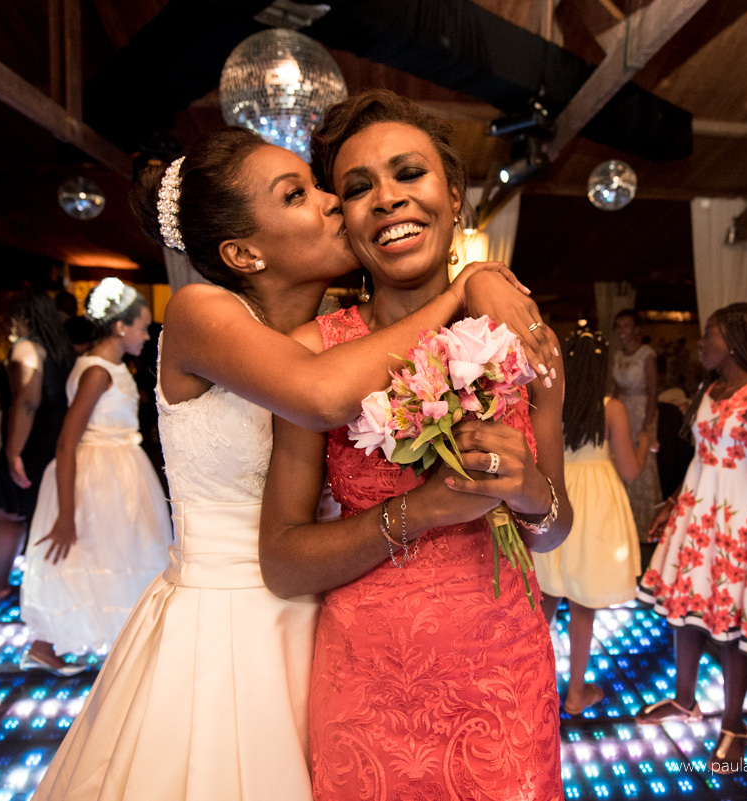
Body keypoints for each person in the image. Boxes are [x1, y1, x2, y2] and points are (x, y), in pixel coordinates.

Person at [32, 125, 552, 800]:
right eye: (299, 194)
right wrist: (462, 291)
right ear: (243, 251)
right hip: (227, 627)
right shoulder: (198, 311)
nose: (335, 201)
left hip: (331, 612)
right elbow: (319, 394)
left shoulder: (342, 332)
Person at [260, 90, 571, 800]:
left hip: (503, 683)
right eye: (360, 188)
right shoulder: (314, 356)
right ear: (347, 223)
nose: (389, 199)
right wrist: (421, 511)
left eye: (410, 174)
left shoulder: (530, 347)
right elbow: (282, 558)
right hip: (368, 691)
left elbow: (554, 531)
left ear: (454, 197)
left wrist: (527, 491)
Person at [636, 303, 747, 774]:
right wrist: (674, 504)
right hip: (700, 511)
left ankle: (733, 724)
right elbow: (701, 459)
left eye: (711, 335)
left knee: (732, 625)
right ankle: (685, 702)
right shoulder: (710, 389)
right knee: (686, 613)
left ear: (738, 341)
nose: (703, 343)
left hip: (742, 517)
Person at [20, 280, 172, 675]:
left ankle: (109, 645)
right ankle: (51, 643)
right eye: (141, 327)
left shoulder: (111, 367)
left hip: (119, 466)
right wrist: (66, 513)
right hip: (101, 474)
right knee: (98, 554)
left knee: (113, 554)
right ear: (121, 327)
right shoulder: (97, 373)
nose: (145, 334)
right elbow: (66, 442)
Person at [533, 328, 649, 715]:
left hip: (558, 495)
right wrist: (647, 441)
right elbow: (631, 471)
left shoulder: (550, 403)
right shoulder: (611, 408)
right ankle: (576, 693)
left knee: (545, 598)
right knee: (583, 604)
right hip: (597, 504)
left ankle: (529, 686)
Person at [0, 295, 73, 600]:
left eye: (13, 317)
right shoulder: (62, 350)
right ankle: (55, 589)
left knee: (8, 515)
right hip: (55, 441)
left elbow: (27, 402)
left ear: (23, 317)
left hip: (29, 444)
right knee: (47, 512)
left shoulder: (26, 347)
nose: (10, 323)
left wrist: (13, 453)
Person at [612, 309, 662, 538]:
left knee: (643, 463)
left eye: (625, 326)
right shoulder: (618, 356)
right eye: (618, 326)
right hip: (621, 409)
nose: (621, 331)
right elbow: (614, 390)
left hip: (642, 410)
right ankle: (622, 521)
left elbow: (654, 392)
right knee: (620, 458)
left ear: (636, 329)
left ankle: (644, 526)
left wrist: (647, 425)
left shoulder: (646, 355)